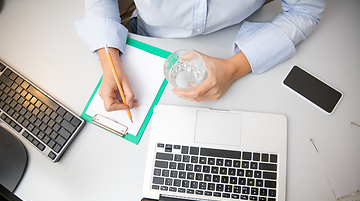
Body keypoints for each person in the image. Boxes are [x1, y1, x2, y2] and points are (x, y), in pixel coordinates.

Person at [75, 0, 326, 112]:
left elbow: (305, 10)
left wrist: (234, 68)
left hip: (239, 44)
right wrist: (109, 64)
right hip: (149, 44)